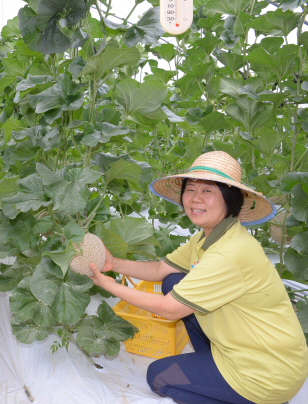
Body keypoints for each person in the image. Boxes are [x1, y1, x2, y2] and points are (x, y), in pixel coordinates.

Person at [89, 151, 308, 404]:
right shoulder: (209, 236)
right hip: (252, 350)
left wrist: (109, 285)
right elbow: (160, 270)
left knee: (158, 377)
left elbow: (169, 310)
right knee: (172, 281)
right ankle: (215, 366)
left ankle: (257, 399)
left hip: (266, 372)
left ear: (229, 199)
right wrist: (113, 264)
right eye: (190, 189)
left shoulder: (229, 253)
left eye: (208, 191)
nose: (195, 199)